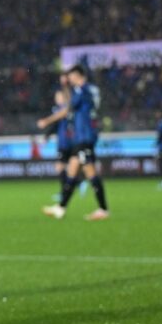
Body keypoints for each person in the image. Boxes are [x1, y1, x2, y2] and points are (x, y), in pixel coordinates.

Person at [38, 66, 108, 220]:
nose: (69, 79)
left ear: (77, 76)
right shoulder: (87, 90)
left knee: (90, 172)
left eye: (70, 76)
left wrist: (47, 121)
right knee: (72, 169)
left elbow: (67, 109)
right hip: (83, 137)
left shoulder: (82, 91)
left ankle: (103, 209)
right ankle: (61, 208)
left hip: (85, 137)